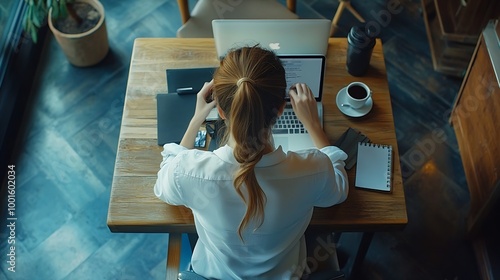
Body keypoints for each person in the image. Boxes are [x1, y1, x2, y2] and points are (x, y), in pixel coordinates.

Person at [154, 46, 348, 279]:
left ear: (222, 113)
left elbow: (165, 179)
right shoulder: (313, 169)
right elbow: (339, 190)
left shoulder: (187, 172)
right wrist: (313, 126)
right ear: (280, 109)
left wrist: (196, 118)